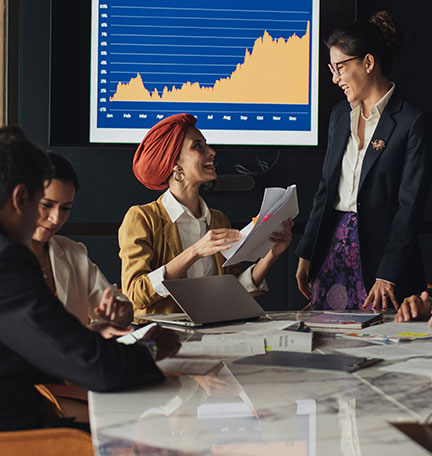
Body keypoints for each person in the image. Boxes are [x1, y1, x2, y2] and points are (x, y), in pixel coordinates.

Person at [0, 126, 180, 431]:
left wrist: (94, 339)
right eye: (41, 205)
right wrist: (151, 349)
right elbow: (99, 370)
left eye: (65, 208)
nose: (53, 219)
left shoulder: (61, 252)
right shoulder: (7, 259)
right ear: (21, 198)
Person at [295, 11, 432, 312]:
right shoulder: (340, 116)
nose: (335, 79)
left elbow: (410, 207)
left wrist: (388, 273)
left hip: (383, 259)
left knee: (381, 347)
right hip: (334, 248)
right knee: (328, 344)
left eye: (340, 68)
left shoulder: (411, 122)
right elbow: (325, 190)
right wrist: (306, 254)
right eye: (332, 69)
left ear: (368, 63)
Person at [119, 113, 293, 314]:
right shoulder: (142, 218)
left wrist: (271, 255)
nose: (211, 152)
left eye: (207, 145)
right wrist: (195, 251)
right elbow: (135, 294)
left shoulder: (218, 219)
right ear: (175, 165)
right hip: (164, 337)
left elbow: (234, 290)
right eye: (197, 146)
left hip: (213, 333)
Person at [29, 152, 133, 335]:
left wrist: (120, 313)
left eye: (65, 208)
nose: (56, 218)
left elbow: (115, 305)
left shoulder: (73, 252)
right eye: (46, 205)